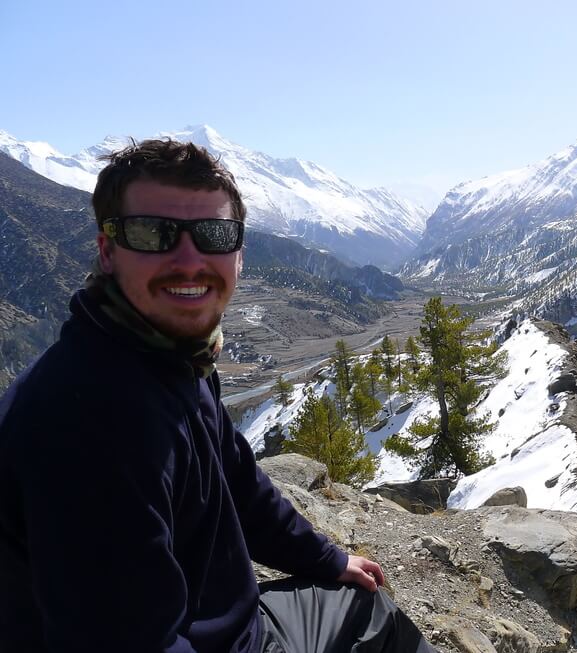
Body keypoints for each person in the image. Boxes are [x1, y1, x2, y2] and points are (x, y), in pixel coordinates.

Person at [0, 139, 436, 652]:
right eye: (153, 234)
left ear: (239, 252)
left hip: (222, 620)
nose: (188, 260)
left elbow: (235, 477)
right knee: (376, 626)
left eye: (213, 235)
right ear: (108, 250)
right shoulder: (92, 423)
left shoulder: (174, 354)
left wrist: (327, 559)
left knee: (366, 606)